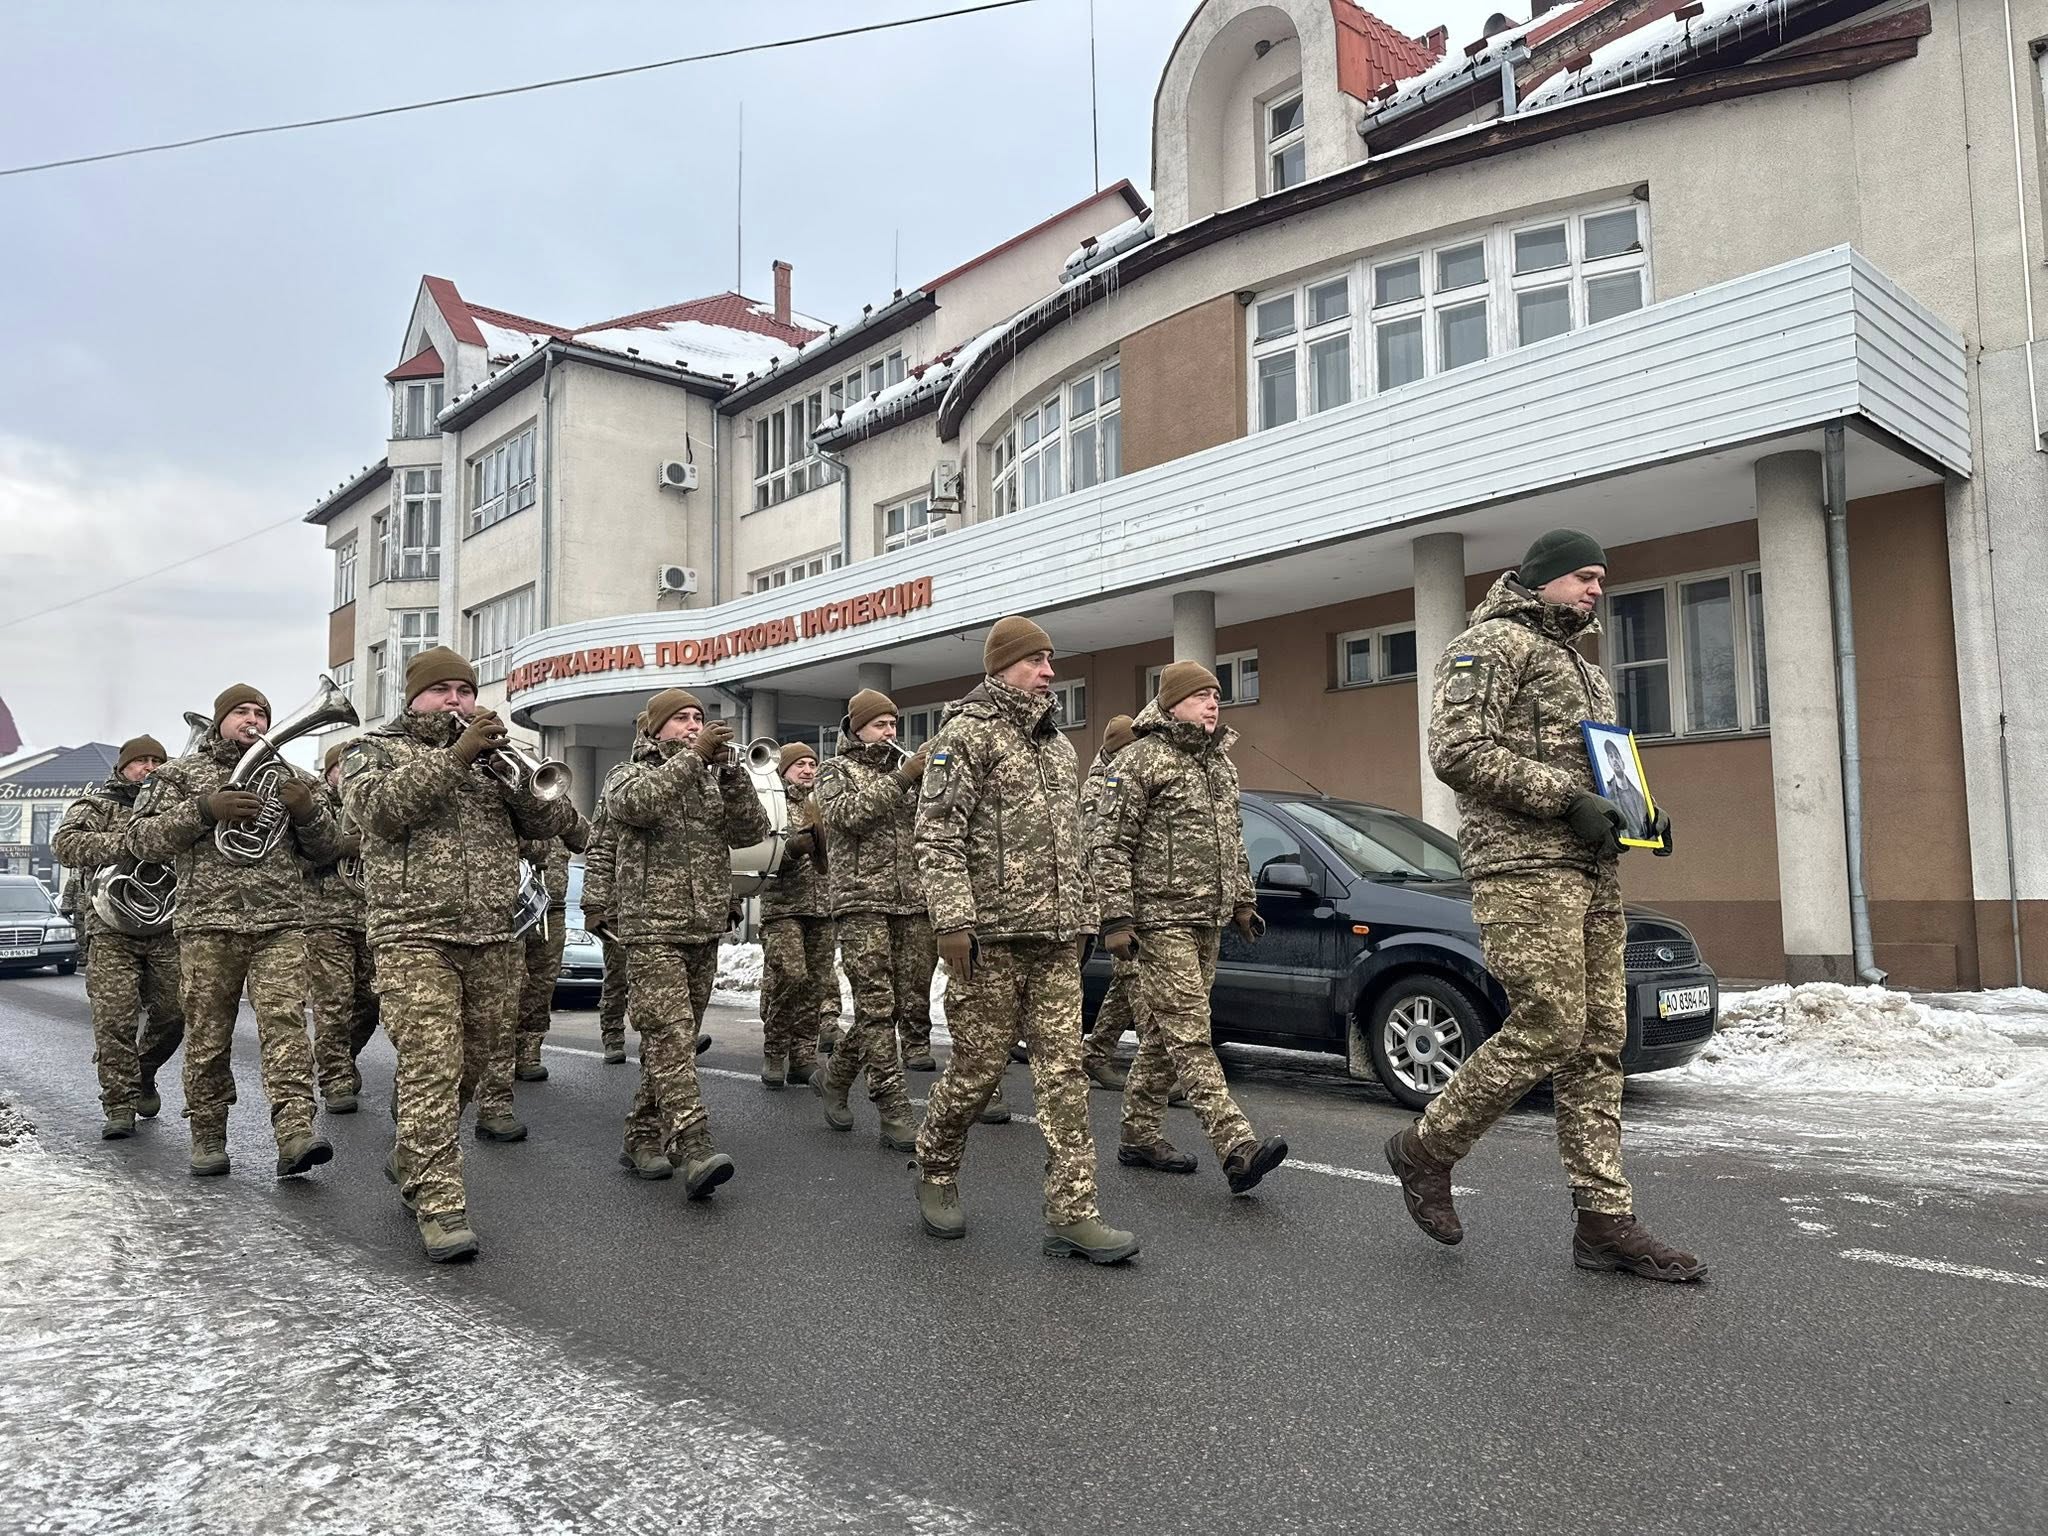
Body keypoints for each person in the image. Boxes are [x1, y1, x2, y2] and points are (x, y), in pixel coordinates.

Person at [1383, 529, 1698, 1283]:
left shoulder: (1584, 668)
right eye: (1583, 576)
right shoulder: (1487, 645)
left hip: (1591, 868)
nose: (1596, 589)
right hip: (1523, 868)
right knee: (1550, 1024)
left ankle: (1603, 1221)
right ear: (1541, 578)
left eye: (1601, 578)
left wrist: (1637, 811)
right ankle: (1426, 1148)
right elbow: (1457, 750)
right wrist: (1566, 800)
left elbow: (1599, 766)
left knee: (1599, 1041)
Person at [913, 615, 1138, 1264]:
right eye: (1036, 660)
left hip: (1056, 940)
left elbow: (1074, 844)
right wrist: (952, 921)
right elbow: (937, 836)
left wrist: (1087, 917)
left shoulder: (1059, 748)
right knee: (978, 1070)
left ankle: (1072, 1212)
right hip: (991, 940)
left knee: (1063, 1073)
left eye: (1050, 660)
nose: (1049, 671)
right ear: (1001, 667)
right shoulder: (966, 737)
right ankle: (935, 1166)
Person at [343, 647, 576, 1262]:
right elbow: (378, 813)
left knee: (475, 1064)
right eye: (442, 690)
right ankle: (441, 1207)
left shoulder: (495, 756)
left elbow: (553, 822)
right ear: (413, 696)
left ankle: (412, 1152)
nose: (456, 701)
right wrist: (456, 756)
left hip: (493, 934)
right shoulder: (374, 750)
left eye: (465, 691)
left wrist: (518, 774)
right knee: (433, 1065)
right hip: (411, 934)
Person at [129, 686, 340, 1180]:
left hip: (279, 924)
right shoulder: (179, 776)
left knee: (287, 1029)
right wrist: (204, 810)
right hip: (208, 926)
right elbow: (141, 840)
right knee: (208, 1035)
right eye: (242, 712)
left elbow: (328, 850)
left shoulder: (293, 777)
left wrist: (308, 813)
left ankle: (295, 1132)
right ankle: (208, 1135)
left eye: (261, 713)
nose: (254, 720)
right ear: (220, 720)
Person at [1095, 666, 1290, 1194]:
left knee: (1164, 1035)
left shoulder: (1219, 764)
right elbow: (1109, 844)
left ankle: (1138, 1136)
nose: (1212, 703)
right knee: (1190, 1034)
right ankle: (1236, 1145)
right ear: (1172, 704)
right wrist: (1116, 918)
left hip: (1207, 920)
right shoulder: (1139, 760)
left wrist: (1243, 902)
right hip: (1159, 921)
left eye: (1216, 695)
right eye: (1201, 695)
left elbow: (1232, 839)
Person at [601, 688, 769, 1193]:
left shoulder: (711, 780)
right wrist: (695, 758)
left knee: (671, 1042)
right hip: (651, 928)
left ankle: (641, 1135)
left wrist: (733, 776)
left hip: (703, 926)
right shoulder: (627, 775)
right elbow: (640, 806)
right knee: (672, 1036)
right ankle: (694, 1146)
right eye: (681, 719)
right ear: (655, 729)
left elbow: (752, 832)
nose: (694, 725)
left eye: (698, 717)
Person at [813, 690, 950, 1148]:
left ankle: (836, 1077)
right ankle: (892, 1108)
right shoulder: (835, 770)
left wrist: (930, 778)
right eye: (880, 725)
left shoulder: (906, 769)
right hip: (861, 901)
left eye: (893, 724)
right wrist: (904, 777)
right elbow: (846, 815)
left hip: (911, 902)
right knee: (874, 1006)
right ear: (857, 729)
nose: (890, 732)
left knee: (897, 1008)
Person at [52, 733, 184, 1140]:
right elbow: (65, 844)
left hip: (165, 928)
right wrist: (131, 844)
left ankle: (144, 1071)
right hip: (111, 929)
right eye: (141, 761)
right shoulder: (98, 804)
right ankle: (119, 1105)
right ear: (123, 767)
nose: (149, 768)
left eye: (157, 762)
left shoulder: (173, 806)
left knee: (174, 1014)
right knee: (115, 1020)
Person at [472, 811, 592, 1140]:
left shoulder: (550, 803)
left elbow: (584, 838)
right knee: (500, 997)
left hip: (550, 907)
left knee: (541, 983)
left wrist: (555, 809)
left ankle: (527, 1052)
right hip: (506, 904)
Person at [301, 740, 378, 1116]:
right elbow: (300, 856)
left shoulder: (370, 801)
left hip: (371, 918)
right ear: (329, 771)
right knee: (334, 1005)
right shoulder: (312, 806)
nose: (347, 774)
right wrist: (344, 845)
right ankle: (334, 1080)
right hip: (326, 919)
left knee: (371, 1003)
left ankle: (345, 1059)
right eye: (340, 768)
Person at [758, 742, 832, 1089]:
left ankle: (803, 1056)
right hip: (783, 907)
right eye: (799, 764)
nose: (807, 770)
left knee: (815, 984)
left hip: (822, 908)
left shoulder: (824, 802)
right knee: (790, 976)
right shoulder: (772, 804)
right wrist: (791, 850)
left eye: (812, 764)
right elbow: (760, 854)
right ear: (783, 769)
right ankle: (775, 1051)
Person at [1079, 713, 1138, 1091]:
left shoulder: (1130, 779)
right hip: (1107, 897)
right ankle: (1165, 1068)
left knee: (1128, 978)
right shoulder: (1101, 788)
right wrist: (1111, 908)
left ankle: (1096, 1053)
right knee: (1137, 978)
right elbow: (1096, 849)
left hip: (1131, 895)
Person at [580, 784, 631, 1066]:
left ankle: (676, 1035)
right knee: (618, 976)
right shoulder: (621, 788)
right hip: (620, 906)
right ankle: (613, 1036)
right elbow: (599, 853)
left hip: (663, 910)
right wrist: (594, 905)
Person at [1600, 739, 1651, 840]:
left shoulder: (1639, 796)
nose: (1615, 760)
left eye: (1616, 756)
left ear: (1622, 762)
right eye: (1611, 757)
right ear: (1609, 762)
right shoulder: (1608, 795)